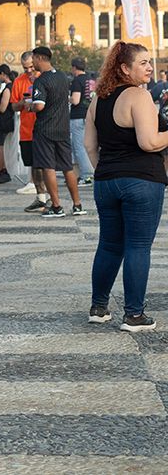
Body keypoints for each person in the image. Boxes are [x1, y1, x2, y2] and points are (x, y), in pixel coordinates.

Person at [84, 41, 168, 332]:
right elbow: (149, 142)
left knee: (109, 244)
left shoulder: (98, 99)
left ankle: (99, 307)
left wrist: (106, 170)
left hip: (106, 181)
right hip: (142, 180)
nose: (149, 67)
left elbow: (89, 145)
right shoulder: (138, 96)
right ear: (124, 68)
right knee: (138, 246)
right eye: (143, 62)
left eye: (149, 62)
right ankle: (134, 315)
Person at [29, 45, 83, 217]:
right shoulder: (62, 76)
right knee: (68, 167)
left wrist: (29, 106)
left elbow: (39, 105)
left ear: (39, 58)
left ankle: (57, 206)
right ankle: (77, 205)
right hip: (63, 128)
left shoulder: (41, 81)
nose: (32, 63)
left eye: (33, 59)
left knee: (48, 167)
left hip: (45, 129)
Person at [11, 52, 49, 212]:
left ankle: (48, 197)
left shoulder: (45, 78)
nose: (28, 71)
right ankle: (40, 197)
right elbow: (13, 106)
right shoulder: (19, 81)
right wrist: (22, 103)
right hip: (27, 130)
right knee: (33, 164)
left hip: (44, 128)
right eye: (25, 68)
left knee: (44, 164)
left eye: (31, 67)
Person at [69, 57, 96, 185]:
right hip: (89, 115)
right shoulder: (91, 80)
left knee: (79, 147)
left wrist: (67, 98)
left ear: (74, 67)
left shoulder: (77, 80)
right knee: (89, 146)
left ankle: (87, 176)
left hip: (78, 117)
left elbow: (75, 100)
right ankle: (88, 173)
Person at [0, 64, 15, 184]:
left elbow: (2, 108)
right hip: (1, 122)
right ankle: (2, 169)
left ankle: (1, 171)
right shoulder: (6, 88)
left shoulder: (8, 89)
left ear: (3, 74)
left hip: (3, 122)